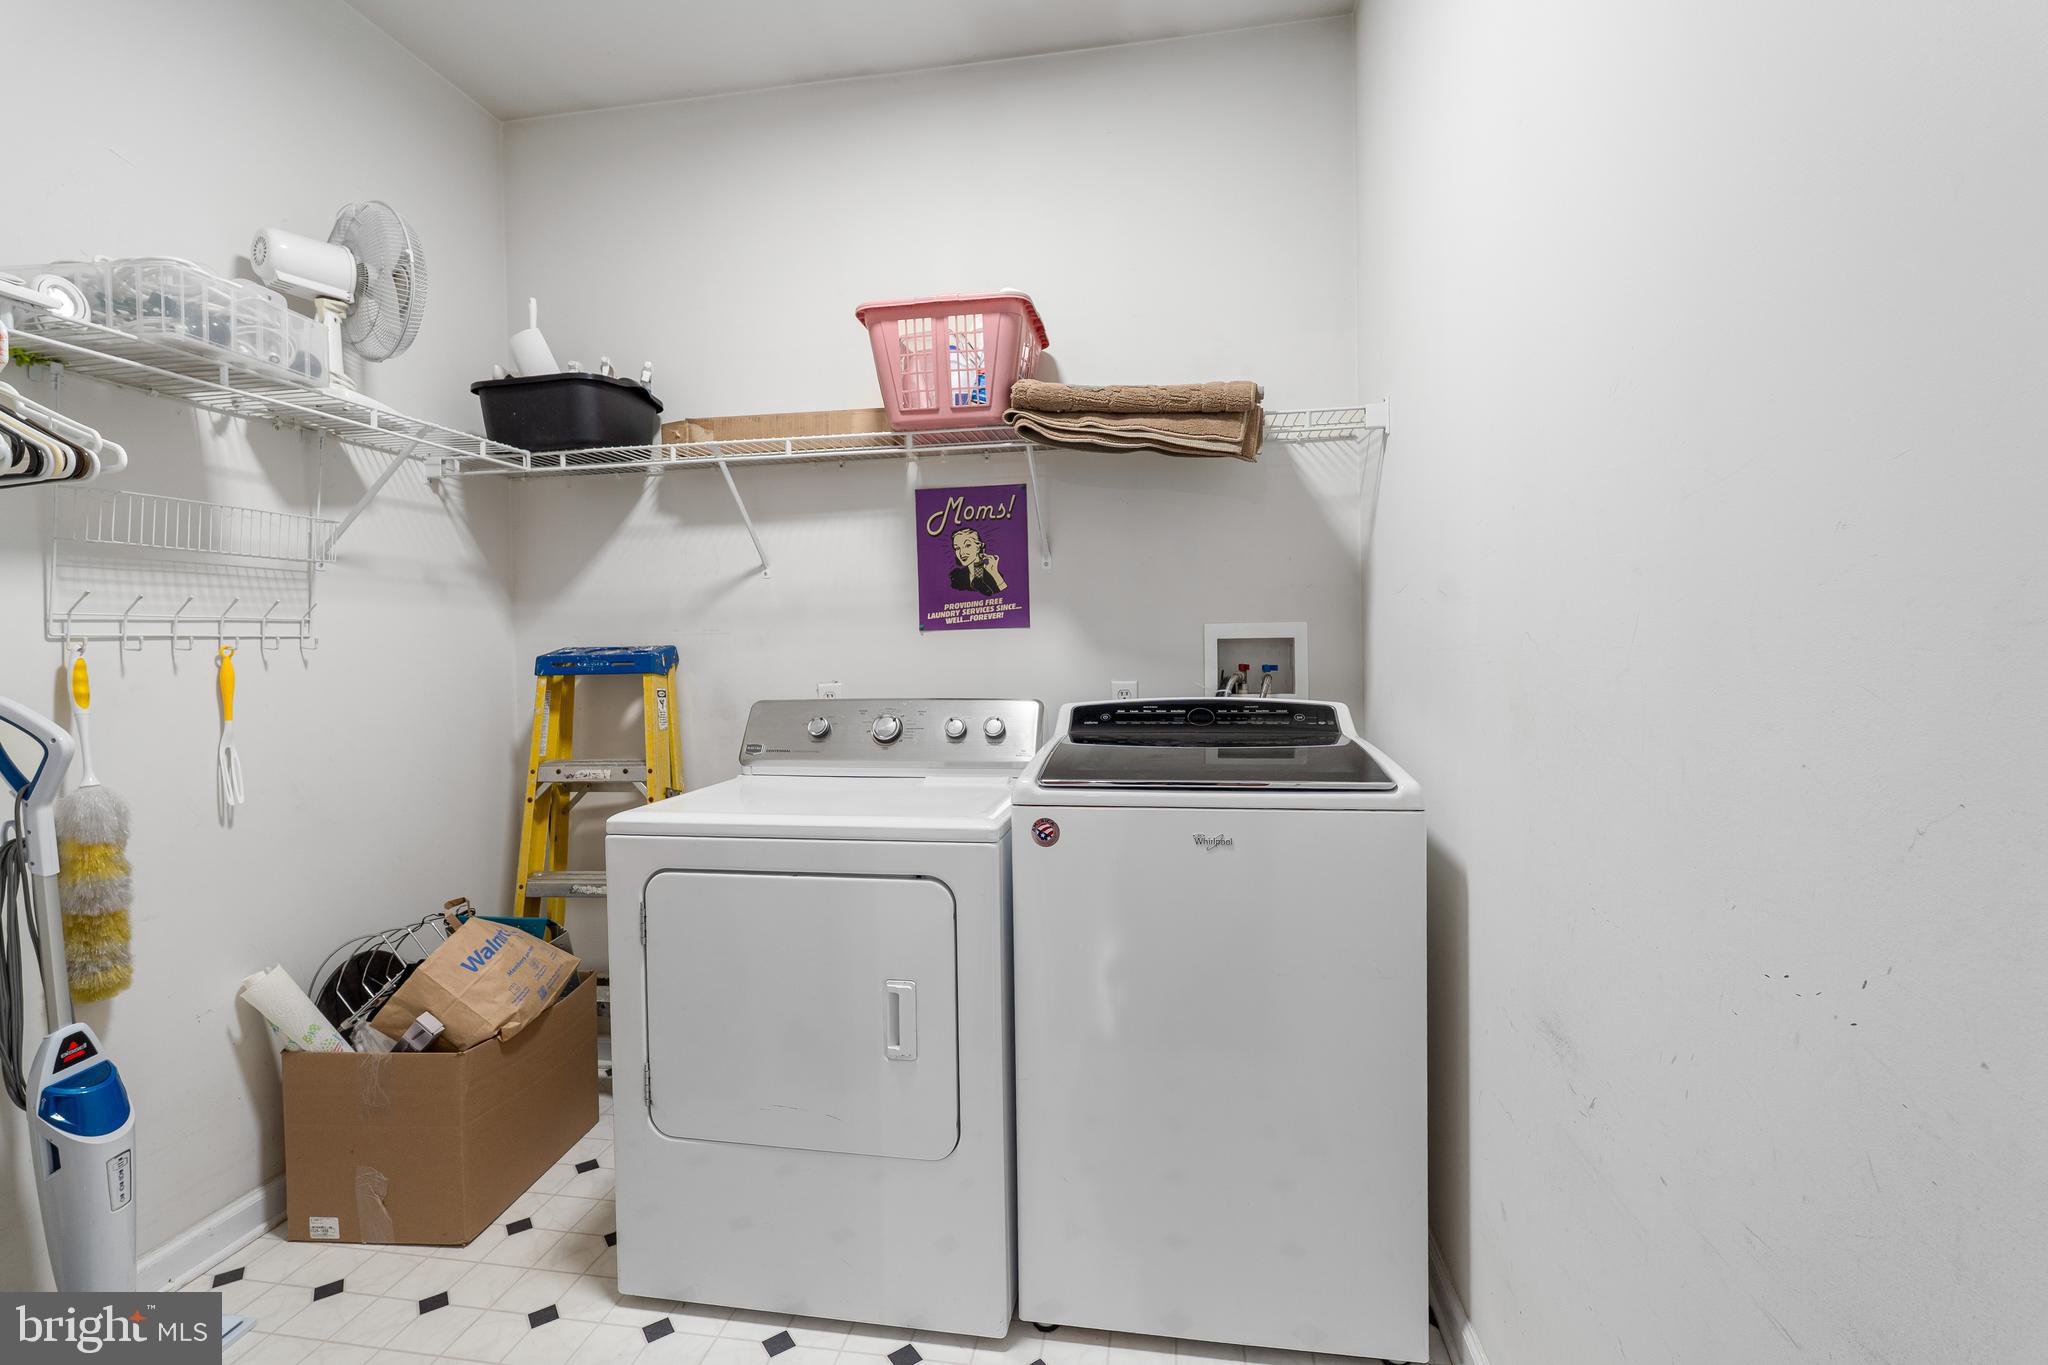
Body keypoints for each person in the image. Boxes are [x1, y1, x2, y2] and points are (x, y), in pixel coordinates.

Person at [949, 528, 1007, 596]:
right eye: (957, 548)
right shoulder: (956, 576)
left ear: (978, 547)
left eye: (967, 545)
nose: (962, 553)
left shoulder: (993, 573)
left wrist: (994, 573)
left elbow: (1008, 597)